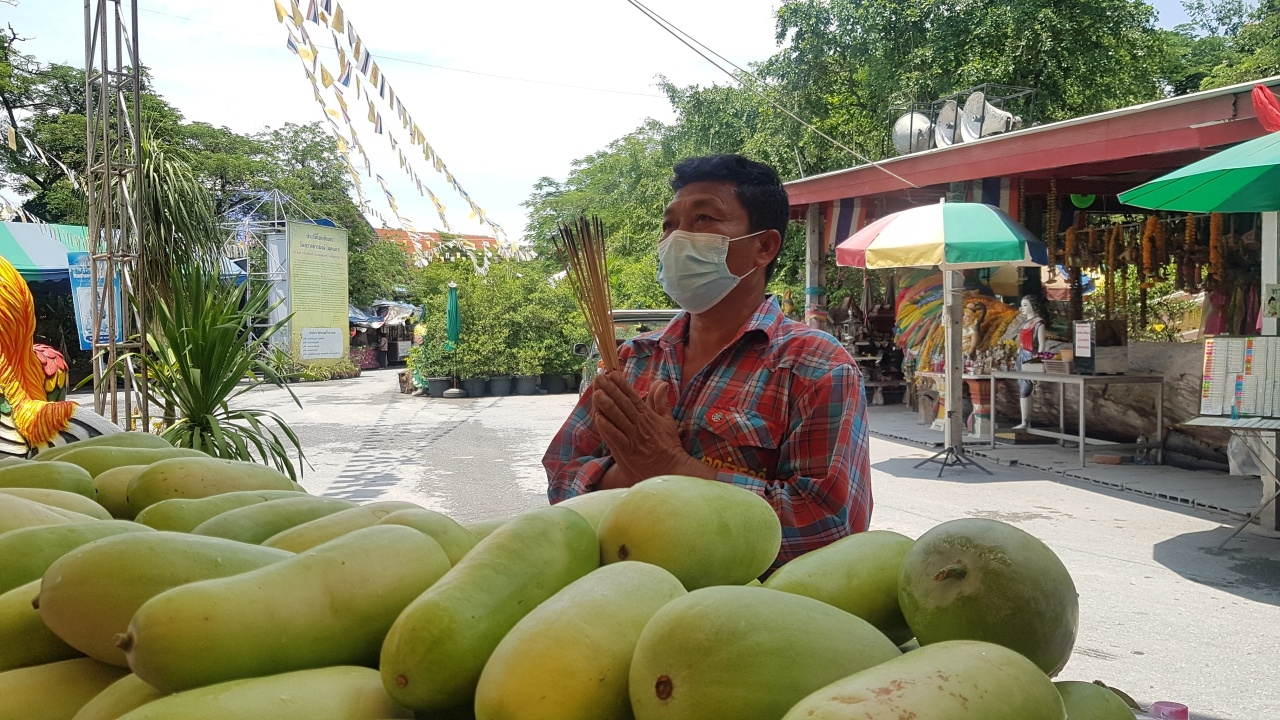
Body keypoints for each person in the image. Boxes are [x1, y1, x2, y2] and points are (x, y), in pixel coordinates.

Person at [542, 154, 872, 570]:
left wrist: (673, 468)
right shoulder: (631, 358)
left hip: (740, 611)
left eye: (703, 219)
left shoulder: (816, 367)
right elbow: (561, 472)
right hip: (619, 590)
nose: (676, 238)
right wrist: (628, 472)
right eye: (668, 225)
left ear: (764, 246)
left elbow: (829, 525)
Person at [1012, 294, 1049, 430]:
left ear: (1033, 306)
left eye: (1026, 305)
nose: (1022, 308)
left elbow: (1041, 344)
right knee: (1022, 386)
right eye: (1022, 305)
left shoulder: (1038, 322)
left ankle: (1025, 421)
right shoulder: (1024, 322)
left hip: (1030, 356)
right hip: (1022, 355)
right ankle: (1025, 420)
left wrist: (1038, 359)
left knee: (1026, 387)